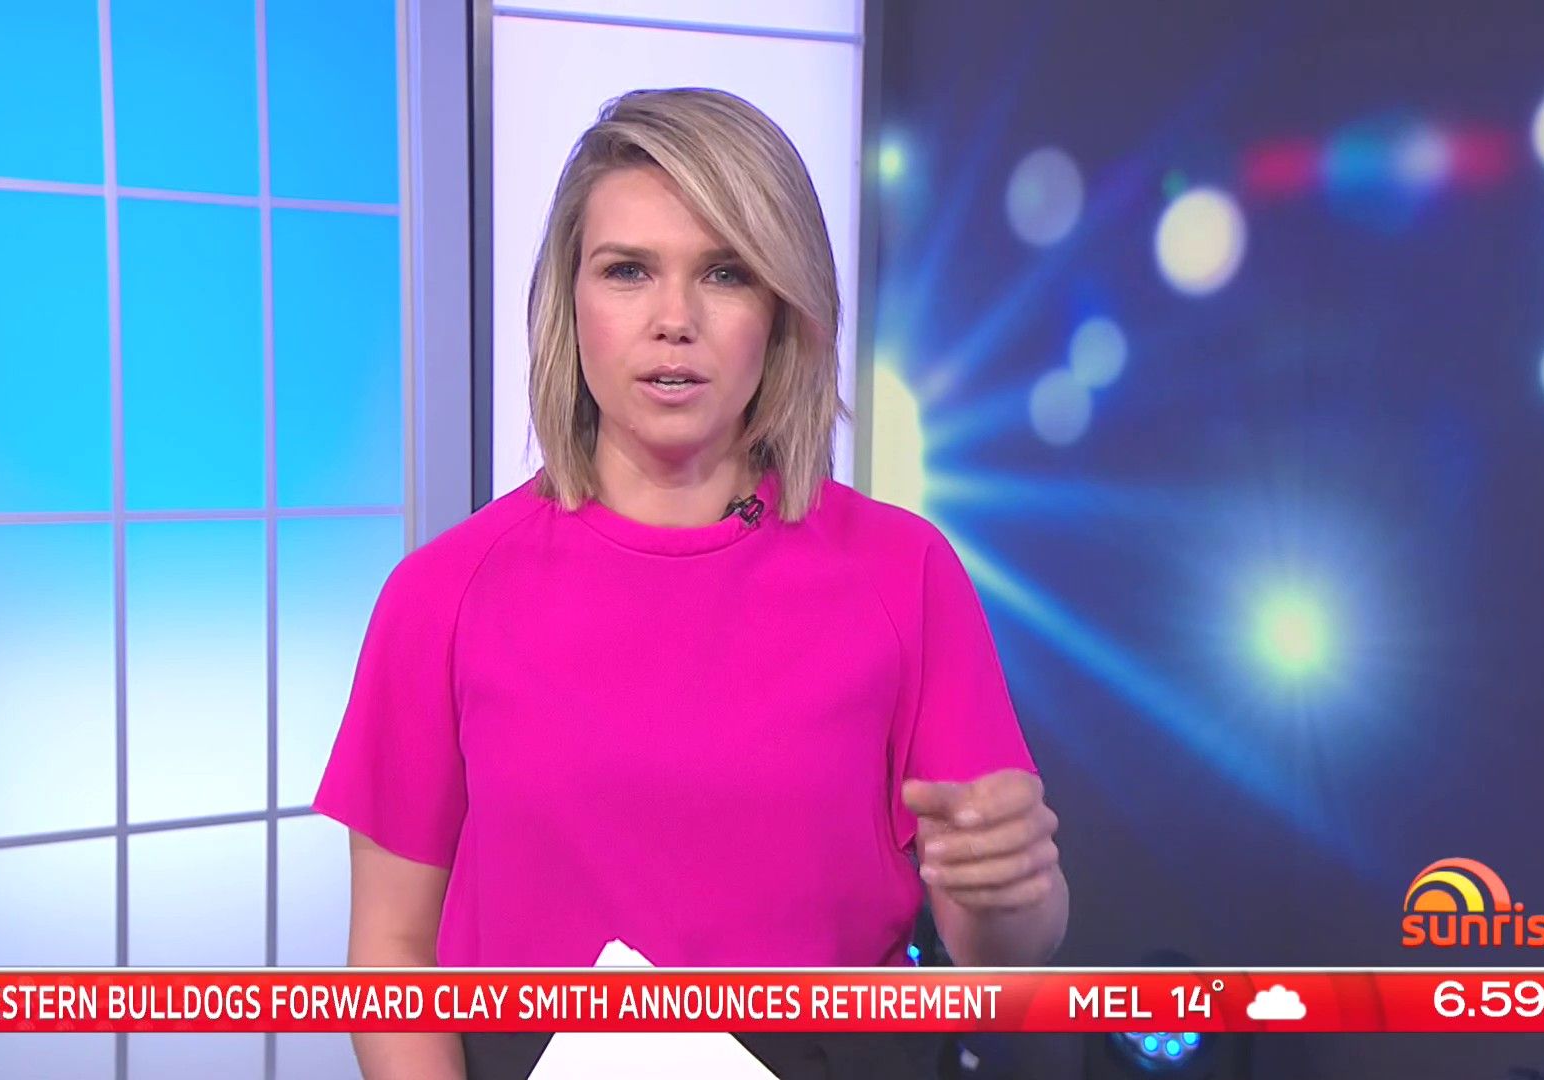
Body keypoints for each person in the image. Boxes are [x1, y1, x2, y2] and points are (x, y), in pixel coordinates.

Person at [313, 87, 1069, 1080]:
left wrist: (1010, 887)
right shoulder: (442, 594)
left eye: (725, 272)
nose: (675, 320)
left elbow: (1002, 955)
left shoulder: (904, 572)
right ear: (569, 303)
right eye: (627, 271)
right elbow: (392, 956)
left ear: (785, 309)